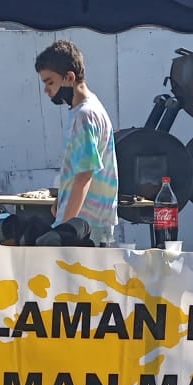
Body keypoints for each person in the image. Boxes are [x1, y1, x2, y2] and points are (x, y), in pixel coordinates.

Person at [34, 40, 118, 246]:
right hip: (89, 220)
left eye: (50, 82)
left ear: (69, 78)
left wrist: (63, 226)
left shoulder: (84, 115)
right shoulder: (89, 108)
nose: (46, 90)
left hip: (84, 226)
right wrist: (61, 200)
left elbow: (84, 175)